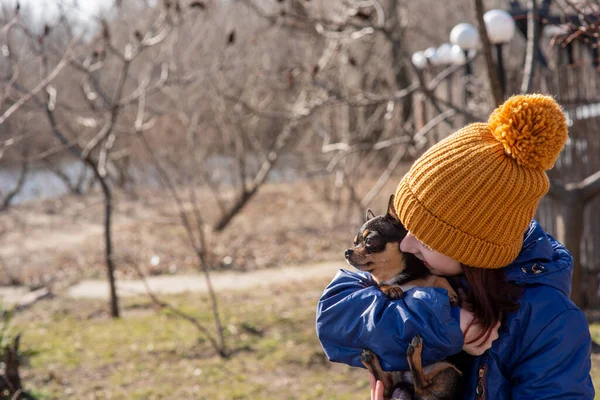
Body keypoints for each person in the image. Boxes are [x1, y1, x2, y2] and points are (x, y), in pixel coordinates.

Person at [315, 94, 595, 399]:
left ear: (470, 249)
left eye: (425, 237)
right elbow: (334, 317)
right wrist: (447, 324)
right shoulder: (427, 266)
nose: (407, 244)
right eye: (408, 227)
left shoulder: (551, 323)